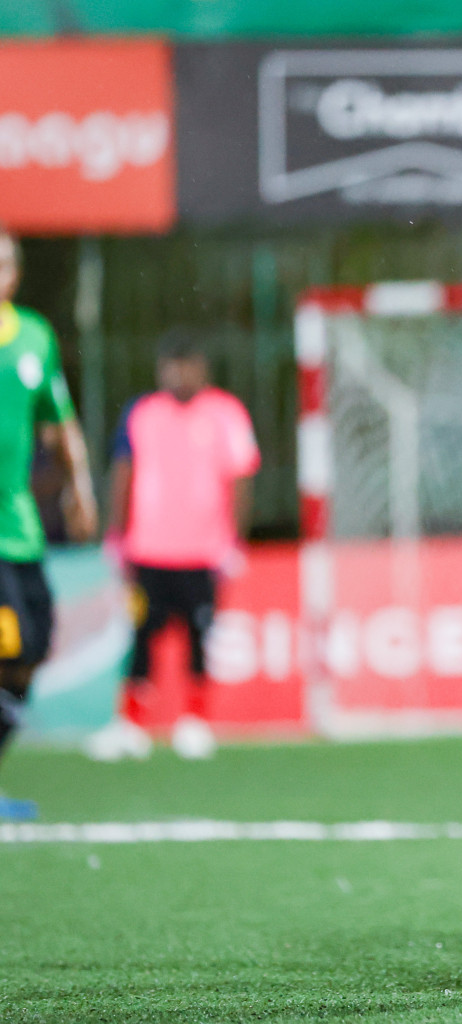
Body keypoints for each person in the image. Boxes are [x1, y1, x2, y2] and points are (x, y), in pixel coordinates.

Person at [86, 330, 259, 762]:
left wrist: (235, 540)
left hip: (203, 552)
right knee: (142, 636)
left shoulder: (225, 413)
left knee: (200, 637)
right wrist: (116, 533)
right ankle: (131, 724)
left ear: (203, 369)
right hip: (148, 552)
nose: (180, 374)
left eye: (189, 365)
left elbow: (240, 479)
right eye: (172, 365)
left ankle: (195, 722)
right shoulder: (142, 413)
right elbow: (122, 473)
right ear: (161, 370)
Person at [0, 226, 98, 818]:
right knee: (7, 646)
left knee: (33, 648)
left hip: (23, 529)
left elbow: (58, 419)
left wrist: (79, 486)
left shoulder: (34, 336)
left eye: (7, 259)